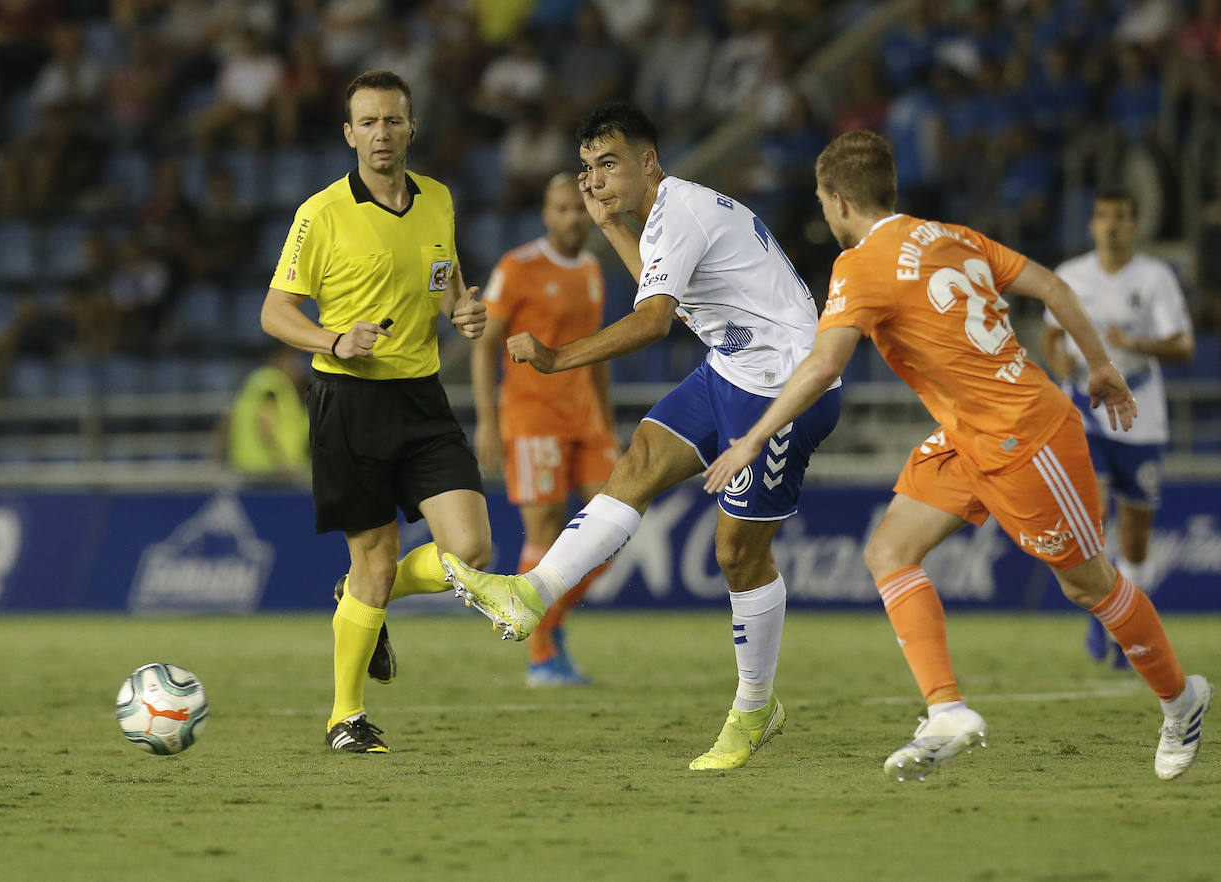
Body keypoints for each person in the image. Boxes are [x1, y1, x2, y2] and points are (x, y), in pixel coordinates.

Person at [702, 130, 1212, 783]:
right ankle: (945, 712)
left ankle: (1180, 699)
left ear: (837, 200)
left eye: (824, 203)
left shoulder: (859, 264)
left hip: (1027, 434)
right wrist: (1103, 367)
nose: (826, 215)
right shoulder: (951, 235)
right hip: (970, 433)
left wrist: (751, 437)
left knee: (1086, 582)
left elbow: (826, 362)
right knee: (889, 551)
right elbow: (1054, 287)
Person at [442, 101, 842, 770]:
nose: (594, 180)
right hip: (732, 369)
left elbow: (655, 322)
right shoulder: (662, 216)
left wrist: (557, 357)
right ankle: (529, 593)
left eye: (609, 165)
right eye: (587, 169)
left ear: (649, 163)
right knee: (637, 464)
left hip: (784, 389)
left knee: (738, 555)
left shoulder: (680, 213)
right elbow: (675, 299)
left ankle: (754, 707)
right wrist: (616, 224)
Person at [261, 70, 491, 754]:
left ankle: (365, 598)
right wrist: (333, 339)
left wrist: (463, 310)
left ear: (411, 127)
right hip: (348, 401)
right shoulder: (321, 213)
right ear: (349, 134)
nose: (381, 133)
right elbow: (275, 312)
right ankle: (345, 718)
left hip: (422, 398)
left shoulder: (439, 200)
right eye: (368, 122)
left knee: (471, 549)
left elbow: (442, 276)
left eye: (393, 120)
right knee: (377, 556)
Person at [472, 173, 620, 686]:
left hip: (586, 420)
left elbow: (597, 351)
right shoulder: (518, 267)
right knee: (545, 533)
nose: (572, 219)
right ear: (545, 213)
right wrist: (487, 422)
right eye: (562, 209)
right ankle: (542, 655)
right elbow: (485, 344)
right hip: (532, 417)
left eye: (580, 209)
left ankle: (543, 619)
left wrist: (606, 420)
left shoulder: (593, 270)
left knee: (613, 530)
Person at [1042, 188, 1194, 667]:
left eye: (1122, 217)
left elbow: (1184, 346)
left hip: (1142, 413)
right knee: (1093, 515)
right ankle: (1103, 618)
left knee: (1135, 536)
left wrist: (1137, 343)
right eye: (1104, 216)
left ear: (1134, 224)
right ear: (1092, 224)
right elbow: (1049, 332)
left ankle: (1128, 628)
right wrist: (1057, 359)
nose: (1112, 225)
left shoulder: (1154, 277)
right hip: (1086, 410)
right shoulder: (1071, 275)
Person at [222, 344, 312, 483]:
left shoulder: (256, 382)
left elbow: (228, 420)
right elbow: (264, 422)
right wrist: (281, 461)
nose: (296, 366)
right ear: (275, 360)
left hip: (249, 464)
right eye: (291, 360)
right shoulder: (273, 383)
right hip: (269, 470)